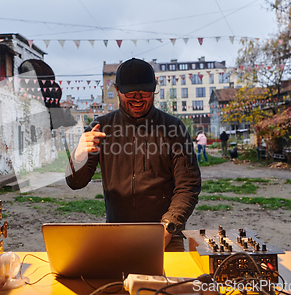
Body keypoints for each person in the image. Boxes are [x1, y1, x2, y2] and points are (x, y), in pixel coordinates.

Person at [65, 58, 201, 250]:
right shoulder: (101, 128)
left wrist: (169, 226)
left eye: (144, 92)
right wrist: (78, 156)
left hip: (166, 236)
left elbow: (188, 185)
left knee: (169, 281)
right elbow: (75, 183)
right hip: (117, 233)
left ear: (154, 88)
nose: (138, 98)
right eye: (130, 92)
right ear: (117, 90)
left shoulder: (173, 128)